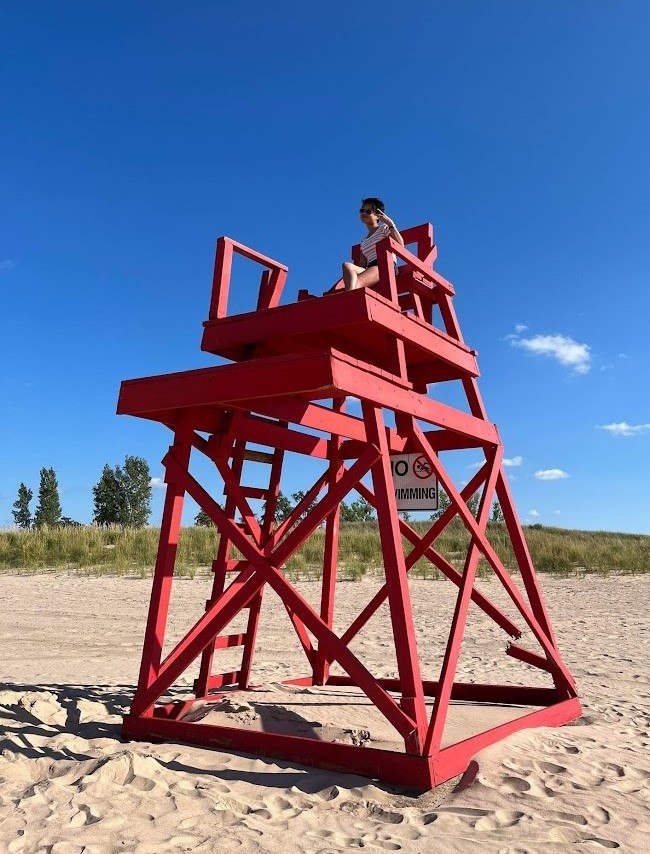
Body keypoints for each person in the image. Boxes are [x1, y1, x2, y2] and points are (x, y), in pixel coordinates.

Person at [341, 197, 405, 291]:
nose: (363, 213)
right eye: (362, 210)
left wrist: (390, 223)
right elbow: (362, 265)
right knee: (347, 266)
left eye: (368, 211)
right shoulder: (364, 241)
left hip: (385, 266)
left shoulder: (384, 228)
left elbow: (400, 245)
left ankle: (351, 298)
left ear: (377, 216)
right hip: (370, 268)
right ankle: (352, 296)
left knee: (355, 284)